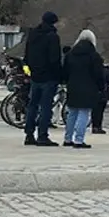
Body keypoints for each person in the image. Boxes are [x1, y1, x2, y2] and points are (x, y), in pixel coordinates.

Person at [23, 11, 62, 147]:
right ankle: (42, 135)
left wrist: (31, 70)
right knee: (46, 107)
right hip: (49, 77)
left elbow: (26, 55)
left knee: (32, 105)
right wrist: (59, 75)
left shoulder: (33, 34)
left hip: (35, 76)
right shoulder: (52, 37)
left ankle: (29, 134)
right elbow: (55, 59)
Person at [61, 29, 105, 149]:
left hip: (73, 86)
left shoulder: (70, 54)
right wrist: (101, 86)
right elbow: (98, 74)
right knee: (84, 113)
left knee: (72, 113)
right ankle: (79, 140)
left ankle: (68, 138)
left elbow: (65, 71)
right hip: (88, 87)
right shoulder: (94, 56)